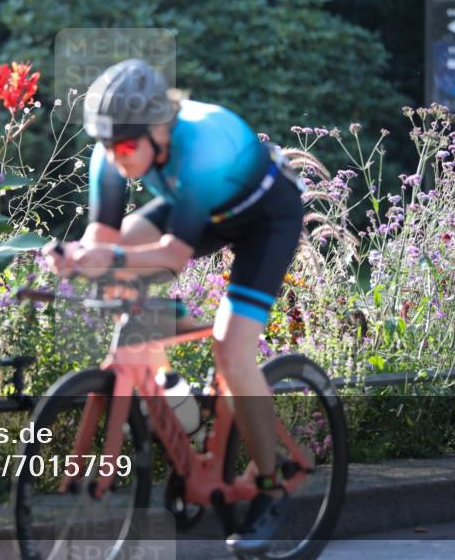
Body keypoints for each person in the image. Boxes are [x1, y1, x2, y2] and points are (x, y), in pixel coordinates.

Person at [42, 58, 306, 555]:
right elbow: (103, 239)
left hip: (264, 219)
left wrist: (107, 257)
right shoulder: (115, 150)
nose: (115, 159)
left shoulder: (199, 147)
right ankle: (172, 341)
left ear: (159, 131)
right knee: (116, 267)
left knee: (231, 350)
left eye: (124, 147)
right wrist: (75, 258)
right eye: (106, 146)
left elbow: (174, 255)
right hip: (200, 206)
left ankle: (272, 484)